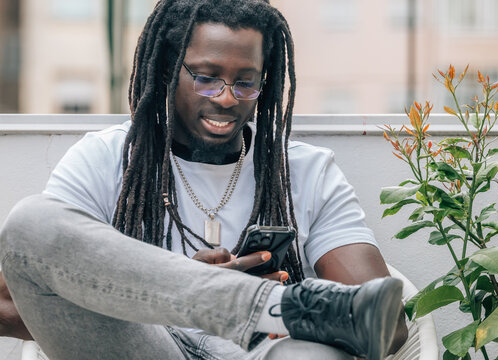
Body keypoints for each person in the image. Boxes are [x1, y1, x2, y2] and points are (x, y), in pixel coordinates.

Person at [0, 0, 408, 359]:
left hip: (265, 350)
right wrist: (190, 294)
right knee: (30, 223)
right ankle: (247, 306)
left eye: (246, 82)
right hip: (148, 348)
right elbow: (8, 299)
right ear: (166, 71)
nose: (227, 97)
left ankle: (262, 310)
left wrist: (266, 314)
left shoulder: (305, 171)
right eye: (206, 77)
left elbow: (388, 328)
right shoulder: (106, 159)